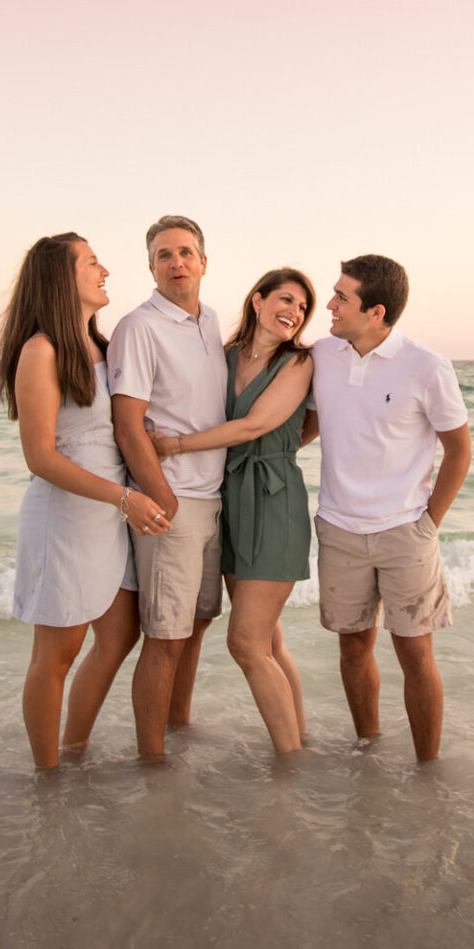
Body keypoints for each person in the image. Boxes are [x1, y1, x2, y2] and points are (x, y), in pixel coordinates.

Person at [0, 232, 157, 768]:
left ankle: (75, 748)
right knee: (56, 654)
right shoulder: (41, 350)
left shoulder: (104, 349)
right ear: (62, 278)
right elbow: (39, 456)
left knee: (120, 636)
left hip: (110, 515)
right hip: (64, 518)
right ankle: (48, 777)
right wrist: (122, 497)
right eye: (91, 262)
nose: (104, 269)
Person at [303, 256, 471, 761]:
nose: (329, 305)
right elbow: (310, 427)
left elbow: (459, 450)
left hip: (405, 532)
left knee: (414, 651)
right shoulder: (323, 356)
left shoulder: (427, 366)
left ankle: (427, 768)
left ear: (375, 311)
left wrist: (428, 523)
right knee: (353, 646)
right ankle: (368, 749)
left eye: (341, 297)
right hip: (338, 528)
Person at [145, 268, 317, 754]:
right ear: (258, 301)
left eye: (303, 307)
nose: (296, 312)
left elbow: (255, 425)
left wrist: (173, 446)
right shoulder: (223, 357)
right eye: (286, 299)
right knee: (268, 641)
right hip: (226, 500)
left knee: (245, 644)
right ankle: (299, 737)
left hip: (273, 503)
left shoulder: (299, 361)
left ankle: (289, 764)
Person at [108, 217, 231, 761]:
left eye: (185, 252)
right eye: (164, 255)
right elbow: (127, 423)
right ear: (152, 267)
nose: (176, 262)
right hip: (171, 506)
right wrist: (163, 498)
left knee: (196, 626)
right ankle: (152, 763)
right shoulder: (139, 327)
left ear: (204, 262)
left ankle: (179, 730)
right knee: (163, 638)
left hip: (215, 499)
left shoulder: (211, 322)